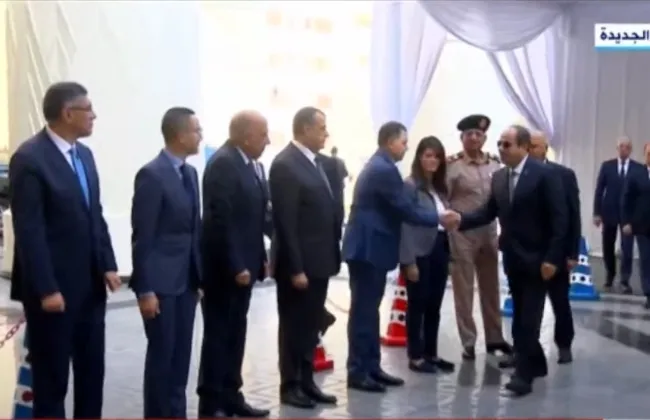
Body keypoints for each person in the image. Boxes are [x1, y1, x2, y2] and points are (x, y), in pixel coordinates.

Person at [9, 81, 120, 418]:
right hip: (53, 293)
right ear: (67, 113)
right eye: (88, 109)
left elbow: (94, 214)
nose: (94, 116)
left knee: (91, 375)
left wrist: (108, 264)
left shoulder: (84, 155)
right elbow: (30, 232)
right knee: (52, 381)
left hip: (90, 288)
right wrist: (46, 289)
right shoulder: (30, 159)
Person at [444, 125, 568, 397]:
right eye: (500, 144)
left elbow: (560, 220)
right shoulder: (500, 177)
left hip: (539, 261)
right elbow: (488, 212)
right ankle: (537, 363)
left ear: (524, 147)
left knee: (529, 318)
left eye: (507, 144)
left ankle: (523, 375)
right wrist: (461, 220)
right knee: (521, 313)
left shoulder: (544, 175)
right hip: (513, 258)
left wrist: (553, 258)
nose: (501, 149)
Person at [342, 121, 451, 393]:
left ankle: (372, 367)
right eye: (403, 142)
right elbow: (405, 208)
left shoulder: (382, 166)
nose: (406, 147)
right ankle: (358, 371)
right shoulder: (384, 170)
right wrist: (439, 218)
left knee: (369, 311)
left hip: (372, 248)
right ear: (390, 142)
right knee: (364, 312)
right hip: (368, 248)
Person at [130, 107, 203, 418]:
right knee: (163, 357)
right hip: (160, 284)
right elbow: (142, 237)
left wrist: (199, 277)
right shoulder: (152, 175)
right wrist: (145, 289)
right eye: (196, 131)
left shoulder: (190, 174)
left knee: (181, 358)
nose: (201, 136)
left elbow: (194, 229)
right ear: (179, 135)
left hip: (186, 282)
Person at [198, 110, 271, 418]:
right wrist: (236, 264)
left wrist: (261, 258)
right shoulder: (224, 164)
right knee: (218, 335)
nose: (267, 140)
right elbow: (221, 220)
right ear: (245, 136)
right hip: (224, 271)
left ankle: (231, 394)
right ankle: (211, 401)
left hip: (246, 266)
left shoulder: (251, 165)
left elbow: (255, 218)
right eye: (263, 134)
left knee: (236, 333)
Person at [269, 107, 340, 409]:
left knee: (311, 326)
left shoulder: (315, 162)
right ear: (305, 129)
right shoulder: (286, 164)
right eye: (322, 128)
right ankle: (291, 385)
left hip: (319, 262)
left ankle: (308, 381)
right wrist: (296, 268)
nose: (326, 134)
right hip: (299, 266)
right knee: (294, 327)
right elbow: (286, 223)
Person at [446, 114, 512, 360]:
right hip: (462, 235)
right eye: (469, 134)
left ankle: (495, 338)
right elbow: (443, 199)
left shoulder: (496, 165)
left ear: (485, 138)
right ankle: (469, 341)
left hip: (489, 233)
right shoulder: (453, 166)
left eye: (479, 134)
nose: (474, 138)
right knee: (464, 290)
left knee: (491, 287)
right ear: (462, 138)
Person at [398, 136, 455, 374]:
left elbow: (445, 224)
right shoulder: (410, 185)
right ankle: (415, 355)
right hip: (418, 250)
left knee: (434, 304)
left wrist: (449, 257)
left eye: (436, 156)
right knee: (418, 303)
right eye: (428, 156)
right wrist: (408, 261)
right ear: (419, 157)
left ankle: (431, 353)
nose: (432, 160)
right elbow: (404, 224)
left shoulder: (440, 188)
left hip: (439, 248)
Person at [529, 131, 580, 363]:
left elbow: (573, 215)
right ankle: (526, 349)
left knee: (560, 301)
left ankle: (564, 344)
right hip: (528, 251)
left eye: (535, 146)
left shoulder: (564, 175)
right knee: (528, 305)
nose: (531, 150)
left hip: (556, 250)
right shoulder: (519, 175)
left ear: (545, 147)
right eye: (528, 146)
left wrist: (572, 252)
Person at [593, 137, 641, 293]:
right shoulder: (607, 166)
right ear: (617, 148)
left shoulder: (637, 169)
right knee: (608, 246)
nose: (623, 149)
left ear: (630, 149)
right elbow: (599, 190)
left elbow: (640, 193)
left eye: (626, 147)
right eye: (621, 146)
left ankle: (625, 280)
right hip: (609, 212)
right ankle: (610, 274)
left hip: (629, 216)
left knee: (627, 248)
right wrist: (597, 213)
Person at [621, 143, 650, 309]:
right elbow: (627, 199)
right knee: (646, 259)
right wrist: (626, 221)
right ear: (645, 155)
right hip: (642, 225)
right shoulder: (636, 174)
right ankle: (649, 293)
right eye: (649, 154)